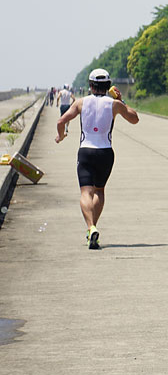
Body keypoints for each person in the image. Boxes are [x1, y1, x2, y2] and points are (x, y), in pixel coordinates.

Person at [55, 68, 139, 250]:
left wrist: (60, 137)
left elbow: (61, 121)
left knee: (86, 192)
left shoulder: (80, 103)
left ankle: (91, 227)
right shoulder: (114, 104)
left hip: (85, 151)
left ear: (90, 85)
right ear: (108, 86)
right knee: (99, 191)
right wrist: (121, 100)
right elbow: (134, 119)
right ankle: (92, 228)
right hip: (105, 152)